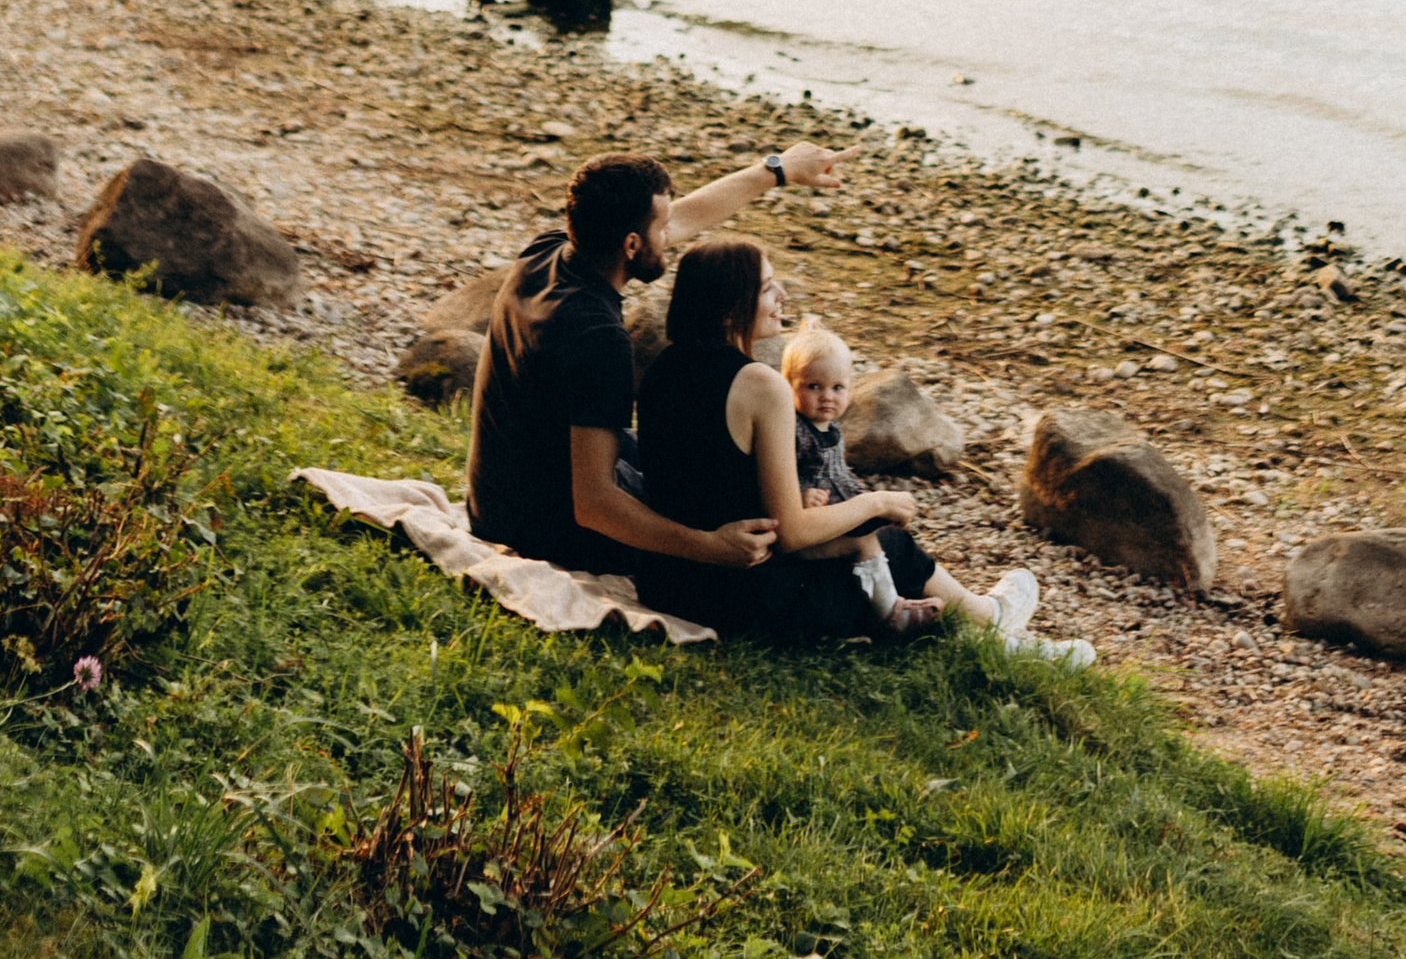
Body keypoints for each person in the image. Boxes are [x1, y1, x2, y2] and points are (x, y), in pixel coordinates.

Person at [467, 141, 834, 593]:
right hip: (544, 531)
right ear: (631, 244)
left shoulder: (545, 254)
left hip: (493, 500)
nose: (673, 235)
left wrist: (775, 171)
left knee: (696, 460)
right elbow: (595, 505)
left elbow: (684, 215)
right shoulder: (597, 338)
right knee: (739, 508)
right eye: (663, 228)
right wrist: (709, 545)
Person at [628, 238, 926, 639]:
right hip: (745, 595)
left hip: (667, 580)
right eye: (767, 287)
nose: (782, 295)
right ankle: (987, 619)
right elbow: (793, 532)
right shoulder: (761, 384)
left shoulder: (663, 367)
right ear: (729, 310)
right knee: (889, 541)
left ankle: (985, 614)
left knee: (873, 541)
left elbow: (709, 483)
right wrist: (876, 501)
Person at [783, 324, 1092, 663]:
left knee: (886, 541)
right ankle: (988, 625)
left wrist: (867, 502)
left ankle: (996, 632)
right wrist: (802, 496)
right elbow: (786, 483)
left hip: (825, 538)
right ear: (788, 386)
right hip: (812, 543)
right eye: (813, 386)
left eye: (837, 387)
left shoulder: (829, 430)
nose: (827, 396)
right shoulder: (794, 433)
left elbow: (838, 475)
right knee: (882, 544)